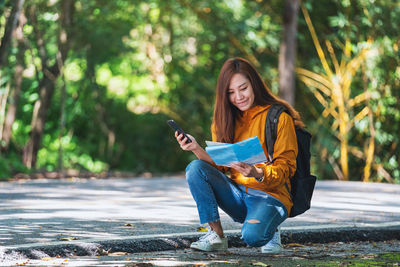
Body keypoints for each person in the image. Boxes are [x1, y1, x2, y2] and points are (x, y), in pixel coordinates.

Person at [174, 57, 304, 253]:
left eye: (243, 88)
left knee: (254, 237)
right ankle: (216, 235)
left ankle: (271, 227)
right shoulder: (224, 119)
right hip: (237, 195)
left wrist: (256, 172)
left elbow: (287, 170)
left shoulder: (279, 118)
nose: (238, 97)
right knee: (195, 168)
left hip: (270, 196)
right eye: (231, 93)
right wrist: (195, 148)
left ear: (254, 85)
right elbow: (220, 167)